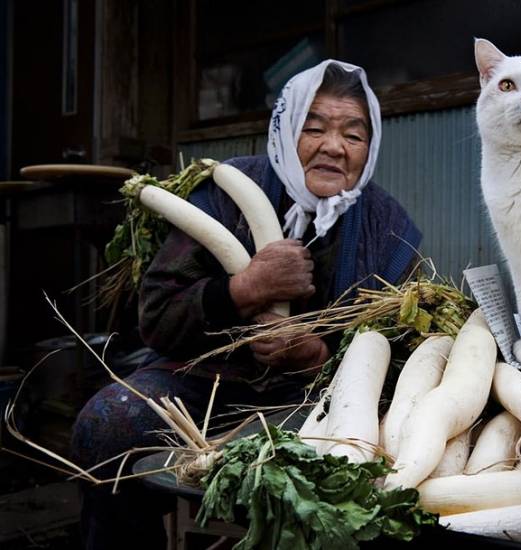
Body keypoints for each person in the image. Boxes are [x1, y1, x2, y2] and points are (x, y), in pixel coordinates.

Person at [70, 60, 421, 549]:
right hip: (200, 383)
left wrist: (317, 354)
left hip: (315, 402)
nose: (333, 147)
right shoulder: (226, 191)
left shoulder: (389, 231)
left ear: (372, 145)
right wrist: (245, 290)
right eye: (313, 127)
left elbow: (404, 352)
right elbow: (155, 317)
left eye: (354, 135)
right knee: (107, 424)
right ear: (285, 127)